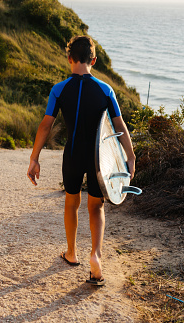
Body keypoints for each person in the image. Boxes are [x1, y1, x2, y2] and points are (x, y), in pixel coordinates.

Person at [27, 35, 136, 286]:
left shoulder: (59, 89)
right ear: (93, 60)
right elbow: (119, 126)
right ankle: (95, 256)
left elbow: (46, 125)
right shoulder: (105, 89)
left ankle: (72, 252)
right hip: (100, 160)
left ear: (69, 59)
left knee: (71, 202)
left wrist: (34, 158)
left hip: (72, 155)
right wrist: (130, 156)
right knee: (96, 207)